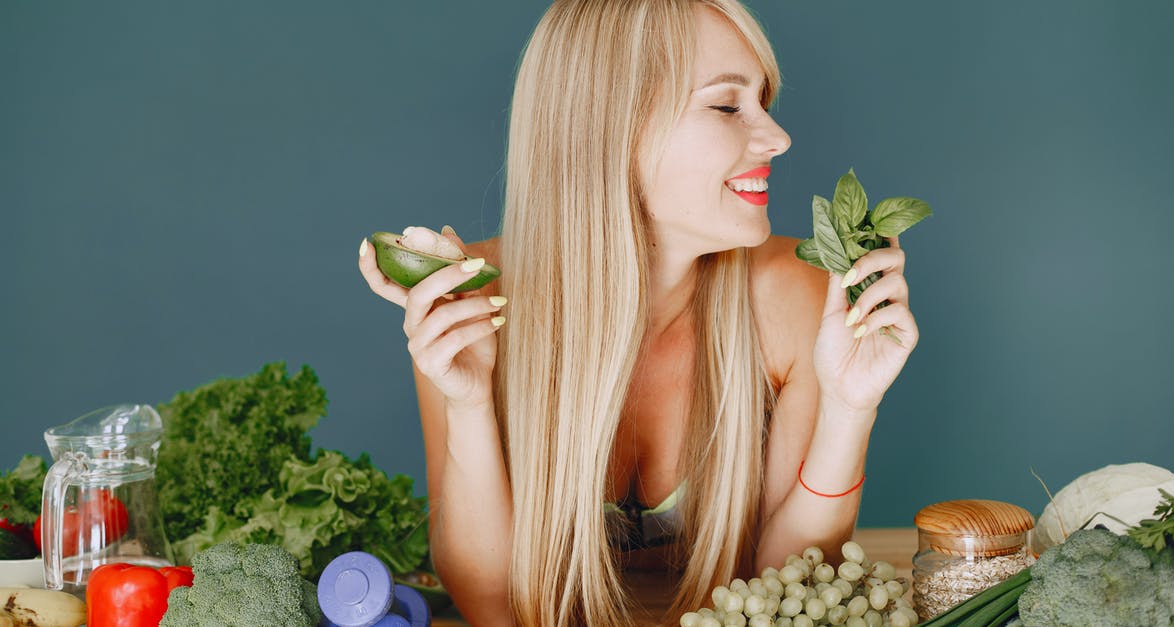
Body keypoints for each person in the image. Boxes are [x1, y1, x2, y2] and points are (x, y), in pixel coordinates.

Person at [358, 0, 918, 624]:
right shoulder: (471, 301)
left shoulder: (798, 294)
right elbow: (494, 608)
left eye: (764, 103)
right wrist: (468, 403)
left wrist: (849, 408)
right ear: (610, 128)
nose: (778, 138)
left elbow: (783, 595)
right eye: (728, 105)